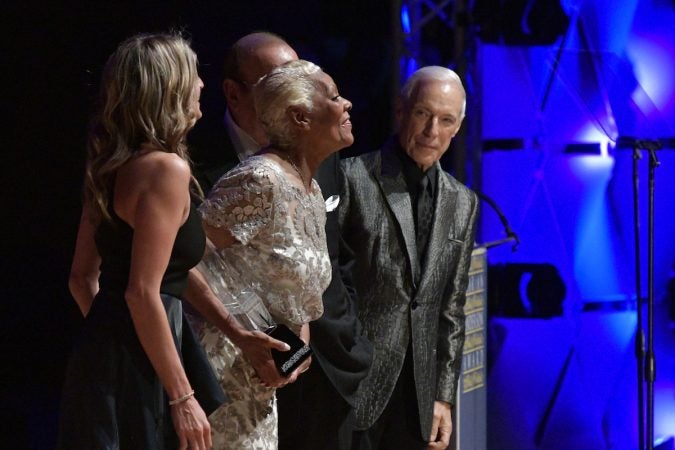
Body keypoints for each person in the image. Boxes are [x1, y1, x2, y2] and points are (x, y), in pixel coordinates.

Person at [189, 32, 372, 450]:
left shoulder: (305, 186)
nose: (346, 104)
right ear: (300, 118)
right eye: (332, 96)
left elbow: (306, 284)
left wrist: (297, 348)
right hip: (224, 378)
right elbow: (178, 260)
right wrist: (237, 332)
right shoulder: (259, 178)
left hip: (268, 385)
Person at [57, 33, 225, 450]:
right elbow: (143, 290)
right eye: (194, 75)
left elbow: (82, 279)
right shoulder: (166, 169)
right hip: (145, 358)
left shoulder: (110, 164)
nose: (202, 84)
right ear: (170, 88)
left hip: (108, 359)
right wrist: (182, 395)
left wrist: (110, 350)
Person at [338, 66, 479, 450]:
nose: (433, 131)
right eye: (423, 114)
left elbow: (451, 307)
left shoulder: (463, 202)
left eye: (446, 120)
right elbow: (328, 283)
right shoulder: (352, 178)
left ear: (458, 127)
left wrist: (444, 396)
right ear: (401, 110)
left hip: (420, 399)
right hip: (353, 389)